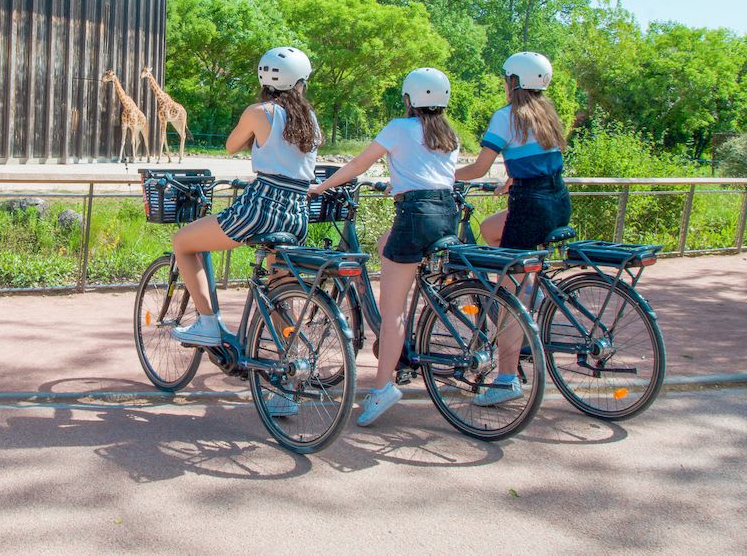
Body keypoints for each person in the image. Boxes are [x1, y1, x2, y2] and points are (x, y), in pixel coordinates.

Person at [310, 68, 459, 426]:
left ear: (408, 99)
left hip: (413, 215)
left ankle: (382, 388)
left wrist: (320, 187)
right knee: (384, 244)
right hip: (446, 211)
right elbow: (431, 174)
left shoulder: (398, 128)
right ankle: (404, 345)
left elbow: (359, 164)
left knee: (394, 311)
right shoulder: (448, 133)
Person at [170, 46, 320, 350]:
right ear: (300, 83)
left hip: (261, 206)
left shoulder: (258, 112)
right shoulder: (310, 120)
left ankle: (208, 323)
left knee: (183, 242)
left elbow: (230, 145)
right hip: (297, 213)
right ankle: (291, 359)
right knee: (280, 290)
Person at [455, 51, 571, 406]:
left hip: (530, 206)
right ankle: (526, 292)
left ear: (514, 83)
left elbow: (477, 168)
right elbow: (538, 160)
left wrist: (440, 177)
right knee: (491, 231)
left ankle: (506, 379)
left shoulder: (507, 116)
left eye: (507, 79)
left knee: (507, 295)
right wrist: (513, 177)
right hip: (558, 200)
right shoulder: (546, 114)